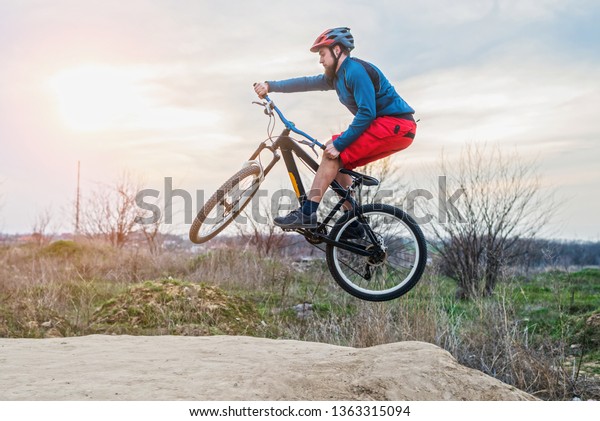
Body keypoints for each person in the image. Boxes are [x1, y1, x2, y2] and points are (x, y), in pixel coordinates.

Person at [254, 27, 416, 230]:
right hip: (388, 126)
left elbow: (367, 113)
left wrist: (340, 144)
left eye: (322, 54)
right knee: (334, 151)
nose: (320, 60)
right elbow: (306, 83)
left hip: (396, 125)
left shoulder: (355, 71)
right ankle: (353, 222)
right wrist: (271, 85)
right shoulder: (336, 77)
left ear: (337, 50)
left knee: (333, 152)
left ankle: (308, 212)